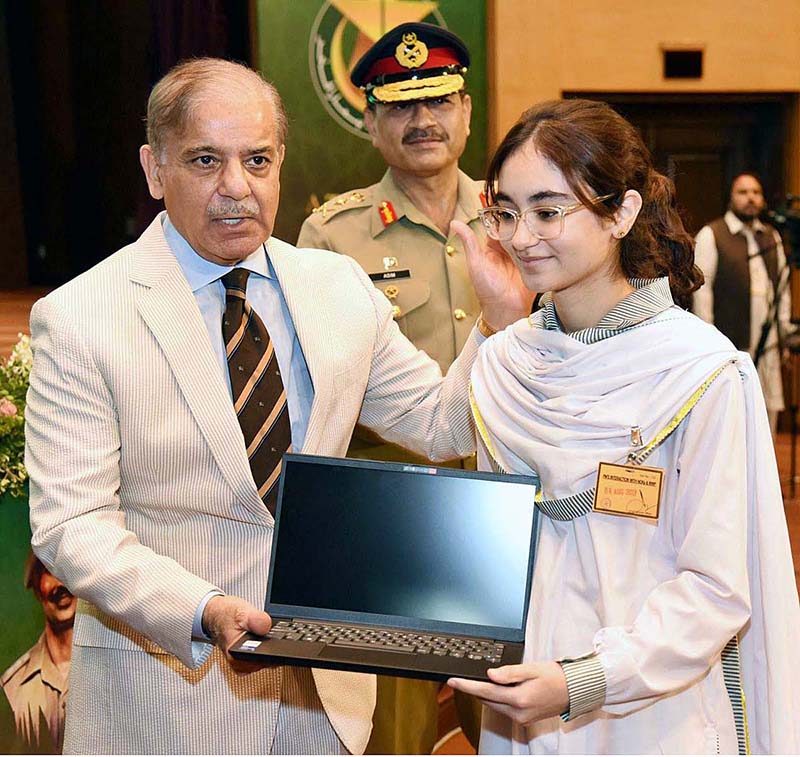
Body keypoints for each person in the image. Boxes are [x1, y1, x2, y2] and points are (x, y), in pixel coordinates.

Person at [24, 58, 530, 755]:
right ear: (153, 168)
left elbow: (440, 424)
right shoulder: (81, 317)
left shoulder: (337, 287)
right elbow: (73, 525)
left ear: (280, 161)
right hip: (168, 699)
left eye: (257, 159)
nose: (237, 188)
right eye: (206, 160)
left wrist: (499, 323)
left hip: (326, 700)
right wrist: (202, 610)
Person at [445, 99, 800, 754]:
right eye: (506, 211)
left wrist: (582, 679)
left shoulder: (703, 372)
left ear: (621, 212)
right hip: (523, 709)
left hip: (653, 712)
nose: (521, 236)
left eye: (549, 210)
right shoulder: (502, 364)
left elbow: (716, 589)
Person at [298, 22, 484, 752]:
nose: (422, 120)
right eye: (400, 106)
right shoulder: (334, 235)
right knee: (393, 733)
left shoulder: (518, 216)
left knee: (519, 719)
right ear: (370, 121)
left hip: (509, 496)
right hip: (389, 508)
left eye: (438, 99)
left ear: (467, 110)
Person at [693, 173, 790, 434]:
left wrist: (784, 332)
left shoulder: (771, 236)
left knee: (768, 403)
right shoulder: (712, 234)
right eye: (743, 192)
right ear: (731, 198)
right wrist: (708, 340)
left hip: (767, 335)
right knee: (733, 410)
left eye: (756, 192)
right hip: (731, 334)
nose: (751, 198)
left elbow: (782, 287)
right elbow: (702, 292)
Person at [1, 553, 76, 753]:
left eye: (68, 571)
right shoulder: (12, 688)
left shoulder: (115, 670)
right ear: (36, 588)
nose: (60, 584)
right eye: (49, 572)